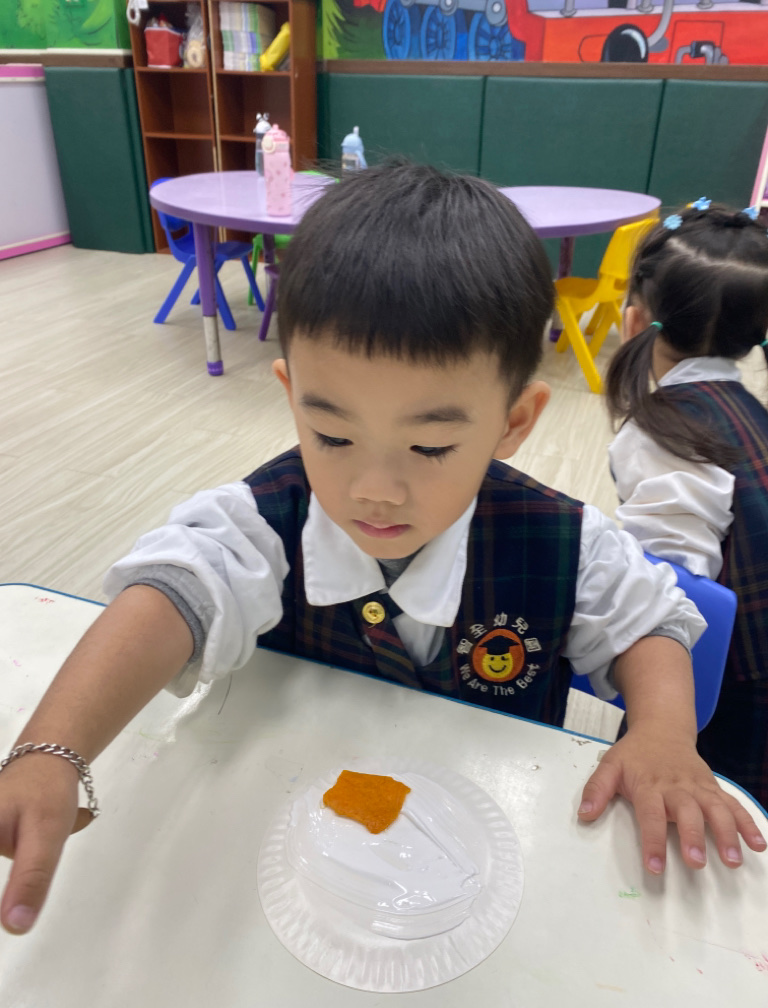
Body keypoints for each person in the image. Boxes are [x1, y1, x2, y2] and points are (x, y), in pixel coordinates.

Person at [1, 168, 765, 939]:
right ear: (290, 394)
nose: (374, 491)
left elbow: (648, 622)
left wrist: (663, 734)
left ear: (513, 423)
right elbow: (175, 590)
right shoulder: (265, 520)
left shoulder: (563, 540)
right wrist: (52, 750)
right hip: (293, 864)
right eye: (332, 435)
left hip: (485, 875)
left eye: (429, 446)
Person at [605, 200, 768, 810]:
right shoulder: (751, 413)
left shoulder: (663, 433)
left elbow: (669, 589)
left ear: (634, 319)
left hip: (734, 699)